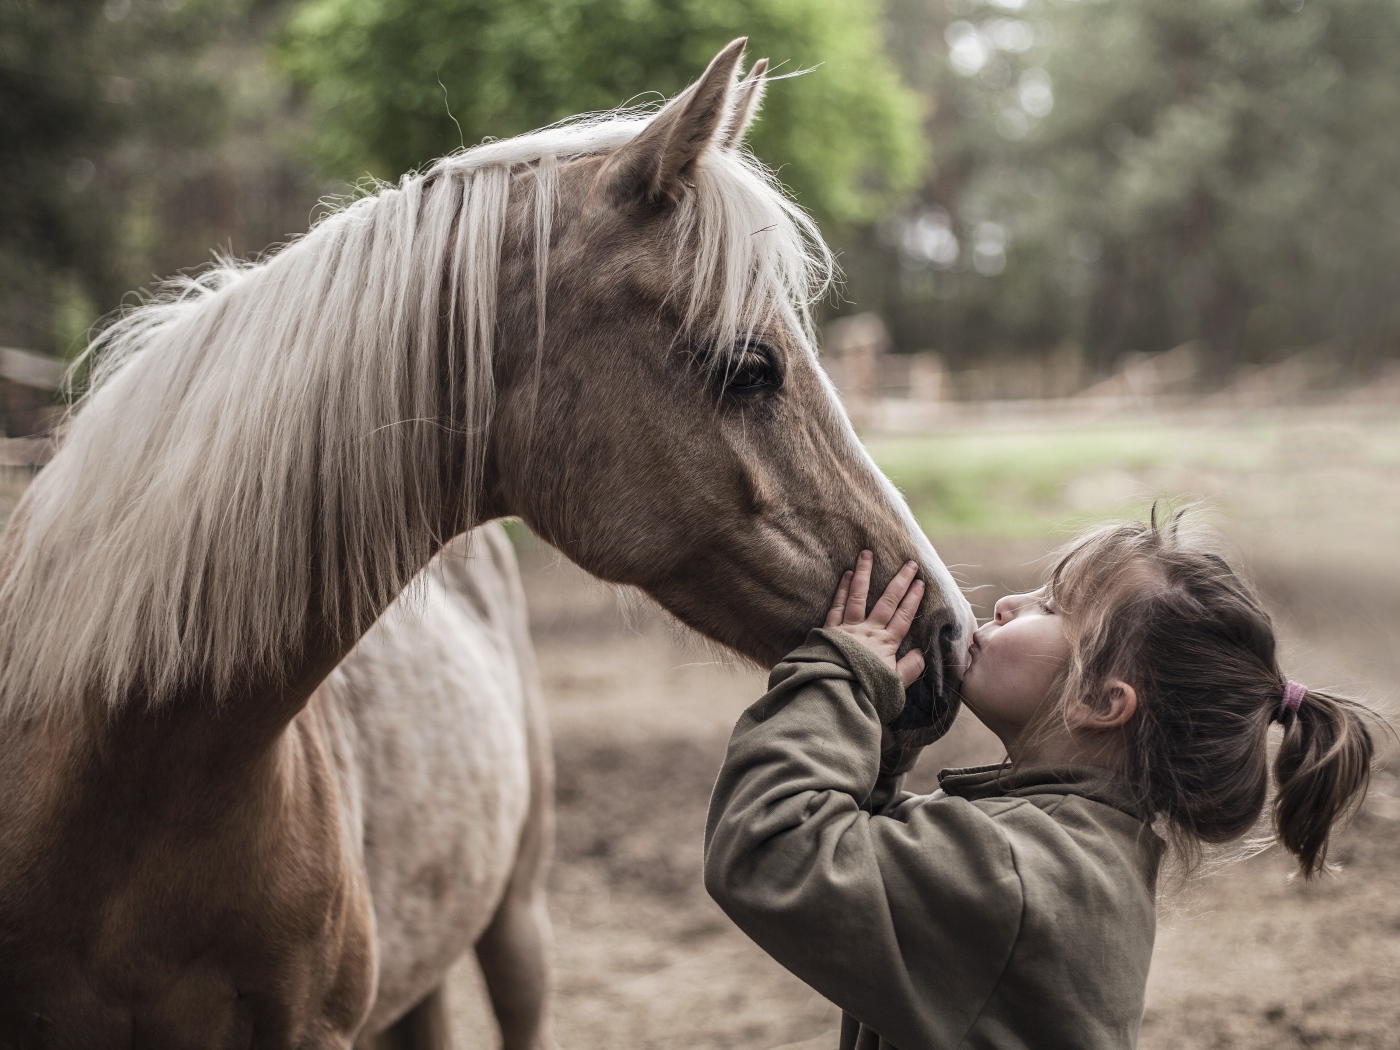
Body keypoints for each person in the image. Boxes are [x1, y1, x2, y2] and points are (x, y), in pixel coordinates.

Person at [704, 515, 1376, 1050]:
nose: (1006, 602)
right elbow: (876, 859)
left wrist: (839, 680)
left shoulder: (1021, 878)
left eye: (1051, 607)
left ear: (1100, 703)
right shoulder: (1070, 854)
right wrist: (882, 734)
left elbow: (773, 847)